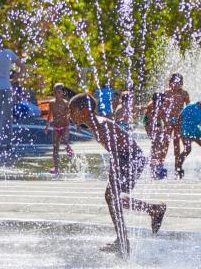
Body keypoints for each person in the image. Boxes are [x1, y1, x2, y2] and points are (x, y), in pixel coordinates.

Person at [68, 93, 166, 257]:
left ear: (84, 110)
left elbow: (116, 152)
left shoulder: (101, 125)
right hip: (128, 158)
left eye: (72, 111)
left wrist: (113, 175)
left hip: (131, 159)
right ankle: (152, 210)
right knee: (113, 198)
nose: (70, 115)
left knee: (112, 197)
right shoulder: (95, 124)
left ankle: (123, 240)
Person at [151, 74, 190, 179]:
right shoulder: (166, 93)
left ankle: (177, 165)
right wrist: (161, 119)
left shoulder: (184, 93)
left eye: (179, 83)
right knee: (165, 142)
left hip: (178, 121)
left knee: (177, 143)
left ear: (181, 83)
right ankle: (160, 164)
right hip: (168, 120)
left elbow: (188, 108)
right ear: (170, 83)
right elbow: (160, 107)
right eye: (174, 83)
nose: (176, 85)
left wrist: (185, 119)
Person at [177, 93, 201, 179]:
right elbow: (180, 117)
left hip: (195, 130)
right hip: (185, 130)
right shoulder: (191, 106)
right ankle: (178, 166)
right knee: (187, 149)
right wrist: (179, 131)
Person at [44, 83, 74, 175]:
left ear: (63, 93)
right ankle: (56, 168)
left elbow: (70, 115)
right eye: (55, 92)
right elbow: (50, 115)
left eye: (59, 92)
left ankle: (68, 147)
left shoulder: (66, 103)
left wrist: (77, 125)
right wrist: (47, 125)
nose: (57, 94)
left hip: (64, 126)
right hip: (56, 127)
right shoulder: (52, 103)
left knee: (64, 139)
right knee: (55, 147)